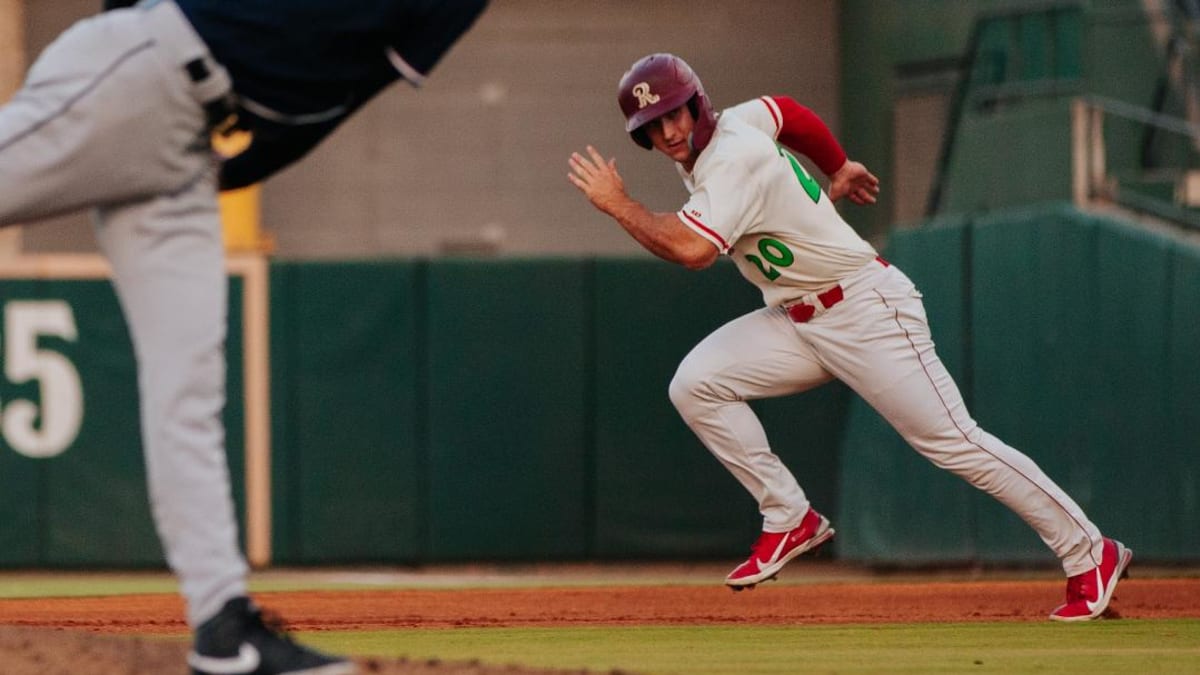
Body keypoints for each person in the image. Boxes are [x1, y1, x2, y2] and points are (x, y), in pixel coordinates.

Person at [0, 0, 488, 672]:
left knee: (188, 392)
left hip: (188, 147)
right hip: (141, 68)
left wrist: (228, 171)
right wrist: (131, 27)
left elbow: (341, 98)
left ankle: (223, 625)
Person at [568, 53, 1131, 621]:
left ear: (697, 103)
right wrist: (837, 166)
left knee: (955, 443)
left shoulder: (731, 156)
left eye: (675, 114)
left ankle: (1091, 550)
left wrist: (619, 205)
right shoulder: (739, 123)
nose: (668, 132)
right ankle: (789, 514)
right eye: (653, 126)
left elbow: (692, 251)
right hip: (798, 317)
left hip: (865, 309)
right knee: (695, 384)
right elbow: (786, 112)